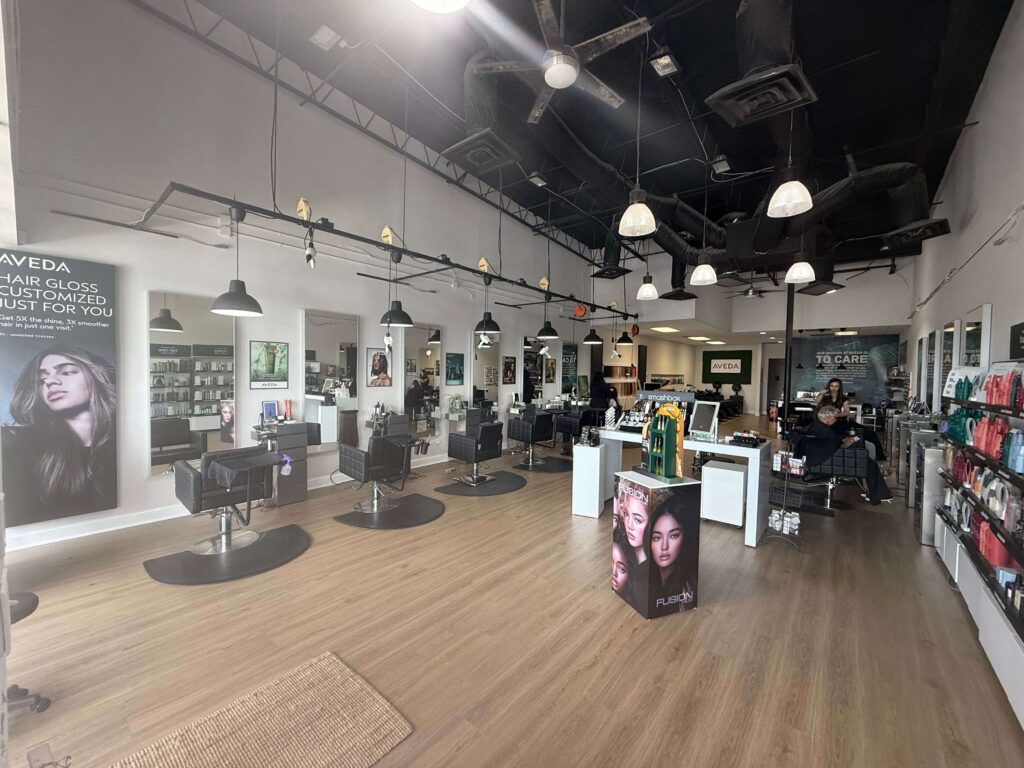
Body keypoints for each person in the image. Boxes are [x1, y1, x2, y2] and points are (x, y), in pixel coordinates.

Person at [1, 344, 117, 525]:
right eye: (41, 380)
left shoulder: (124, 441)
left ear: (96, 377)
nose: (50, 382)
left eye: (67, 372)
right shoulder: (16, 443)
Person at [795, 406, 892, 505]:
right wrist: (850, 441)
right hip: (826, 461)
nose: (836, 420)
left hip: (814, 459)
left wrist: (840, 441)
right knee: (868, 463)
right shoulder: (827, 432)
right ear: (828, 418)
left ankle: (871, 492)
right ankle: (880, 494)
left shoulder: (813, 427)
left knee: (865, 461)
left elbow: (829, 444)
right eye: (835, 418)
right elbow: (840, 447)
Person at [816, 377, 886, 460]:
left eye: (836, 386)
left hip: (840, 421)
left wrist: (836, 415)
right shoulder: (824, 396)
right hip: (828, 423)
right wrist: (821, 394)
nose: (834, 388)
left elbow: (847, 412)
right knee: (857, 434)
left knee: (870, 433)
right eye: (832, 386)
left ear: (839, 387)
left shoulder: (843, 398)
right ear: (828, 386)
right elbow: (816, 402)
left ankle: (880, 456)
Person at [649, 498, 696, 613]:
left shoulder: (686, 590)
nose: (664, 546)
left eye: (673, 536)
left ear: (684, 538)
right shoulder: (645, 578)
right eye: (657, 538)